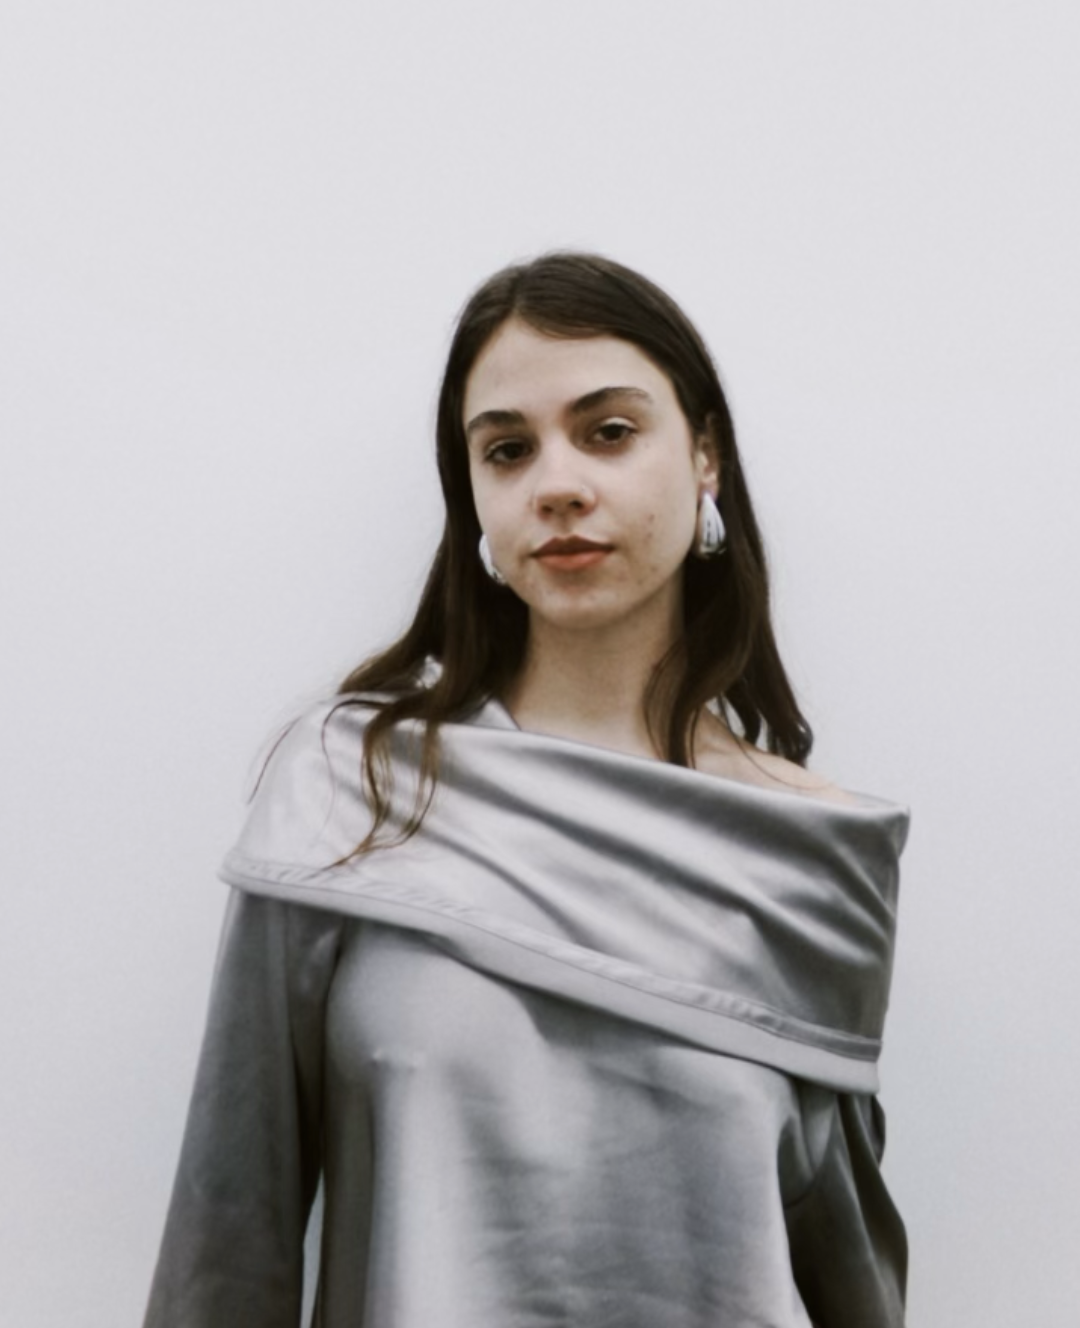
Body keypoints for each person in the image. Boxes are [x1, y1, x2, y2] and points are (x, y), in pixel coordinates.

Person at [143, 252, 909, 1328]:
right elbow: (227, 1242)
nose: (555, 483)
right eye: (506, 450)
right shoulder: (348, 793)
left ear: (704, 457)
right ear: (474, 501)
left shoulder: (808, 847)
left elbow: (848, 1281)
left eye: (606, 431)